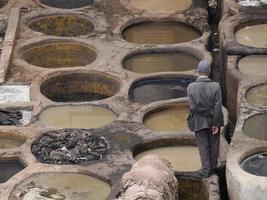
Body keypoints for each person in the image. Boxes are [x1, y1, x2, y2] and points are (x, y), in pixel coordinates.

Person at [187, 59, 224, 178]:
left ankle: (206, 169)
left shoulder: (191, 87)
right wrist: (216, 122)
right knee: (214, 144)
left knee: (203, 145)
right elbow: (218, 107)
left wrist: (206, 111)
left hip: (198, 121)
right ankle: (213, 168)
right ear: (209, 72)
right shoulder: (216, 86)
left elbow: (193, 107)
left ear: (198, 72)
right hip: (214, 120)